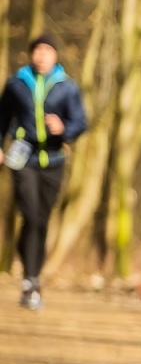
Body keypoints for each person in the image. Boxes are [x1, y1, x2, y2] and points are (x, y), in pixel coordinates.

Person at [1, 36, 88, 310]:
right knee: (29, 213)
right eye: (37, 50)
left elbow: (81, 122)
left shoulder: (67, 87)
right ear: (30, 55)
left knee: (40, 220)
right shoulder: (16, 84)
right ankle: (29, 280)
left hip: (53, 159)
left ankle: (33, 277)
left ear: (55, 56)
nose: (41, 56)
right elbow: (1, 118)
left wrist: (65, 129)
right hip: (23, 157)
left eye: (47, 51)